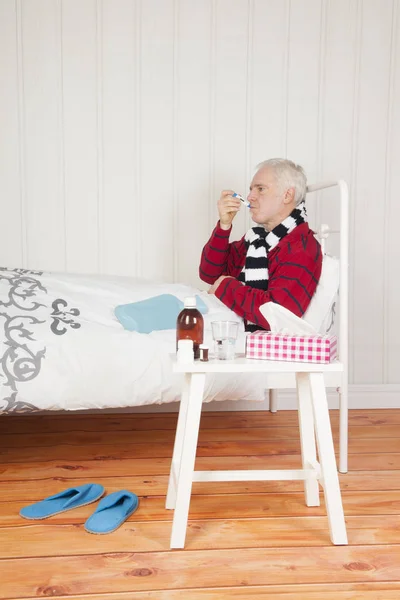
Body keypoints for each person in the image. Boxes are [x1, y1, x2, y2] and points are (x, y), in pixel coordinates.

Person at [199, 158, 322, 331]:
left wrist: (226, 286)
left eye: (260, 189)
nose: (250, 197)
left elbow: (278, 313)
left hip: (246, 344)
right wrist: (224, 226)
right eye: (251, 189)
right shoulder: (259, 240)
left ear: (287, 195)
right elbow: (209, 273)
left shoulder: (301, 247)